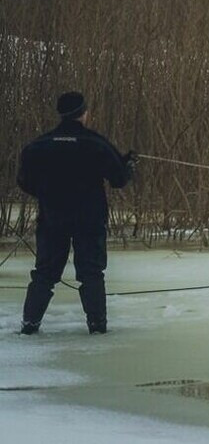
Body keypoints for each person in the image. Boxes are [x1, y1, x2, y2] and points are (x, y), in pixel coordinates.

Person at [17, 92, 134, 335]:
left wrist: (47, 195)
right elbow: (119, 179)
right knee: (91, 272)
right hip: (89, 219)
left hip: (52, 218)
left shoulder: (39, 145)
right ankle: (97, 327)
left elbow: (24, 181)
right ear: (84, 113)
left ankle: (29, 325)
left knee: (45, 273)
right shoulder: (96, 143)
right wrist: (128, 165)